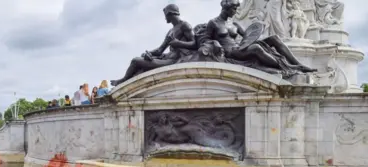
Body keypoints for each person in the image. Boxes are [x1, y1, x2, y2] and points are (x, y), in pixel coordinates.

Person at [174, 0, 316, 77]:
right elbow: (203, 41)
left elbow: (247, 35)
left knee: (274, 39)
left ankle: (298, 64)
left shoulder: (234, 23)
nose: (236, 12)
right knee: (255, 48)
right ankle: (286, 67)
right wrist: (215, 42)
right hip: (230, 52)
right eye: (234, 9)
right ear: (226, 9)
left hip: (240, 47)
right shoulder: (214, 23)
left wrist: (258, 33)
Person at [110, 4, 195, 86]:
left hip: (174, 60)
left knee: (135, 61)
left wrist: (179, 43)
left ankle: (124, 80)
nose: (165, 18)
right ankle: (125, 80)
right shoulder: (171, 31)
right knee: (139, 59)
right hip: (167, 58)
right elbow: (160, 50)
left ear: (170, 13)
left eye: (165, 15)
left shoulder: (185, 25)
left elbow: (194, 43)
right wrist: (149, 53)